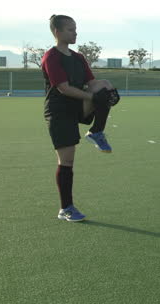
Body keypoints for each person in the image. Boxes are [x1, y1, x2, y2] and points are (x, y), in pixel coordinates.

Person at [41, 14, 119, 222]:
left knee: (104, 85)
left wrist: (106, 93)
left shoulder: (78, 58)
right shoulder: (51, 57)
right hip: (59, 112)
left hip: (78, 106)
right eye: (70, 30)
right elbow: (63, 88)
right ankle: (66, 208)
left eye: (75, 29)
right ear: (57, 32)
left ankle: (96, 131)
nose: (75, 33)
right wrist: (94, 97)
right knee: (67, 160)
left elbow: (92, 83)